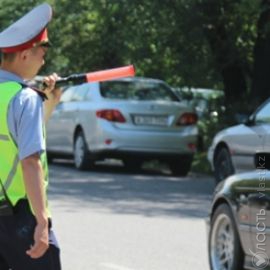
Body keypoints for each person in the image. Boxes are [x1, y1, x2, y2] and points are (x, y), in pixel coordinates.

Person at [0, 3, 61, 269]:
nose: (43, 61)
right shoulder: (24, 98)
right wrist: (41, 221)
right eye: (40, 54)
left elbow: (12, 140)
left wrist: (49, 104)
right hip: (18, 217)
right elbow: (29, 160)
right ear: (25, 55)